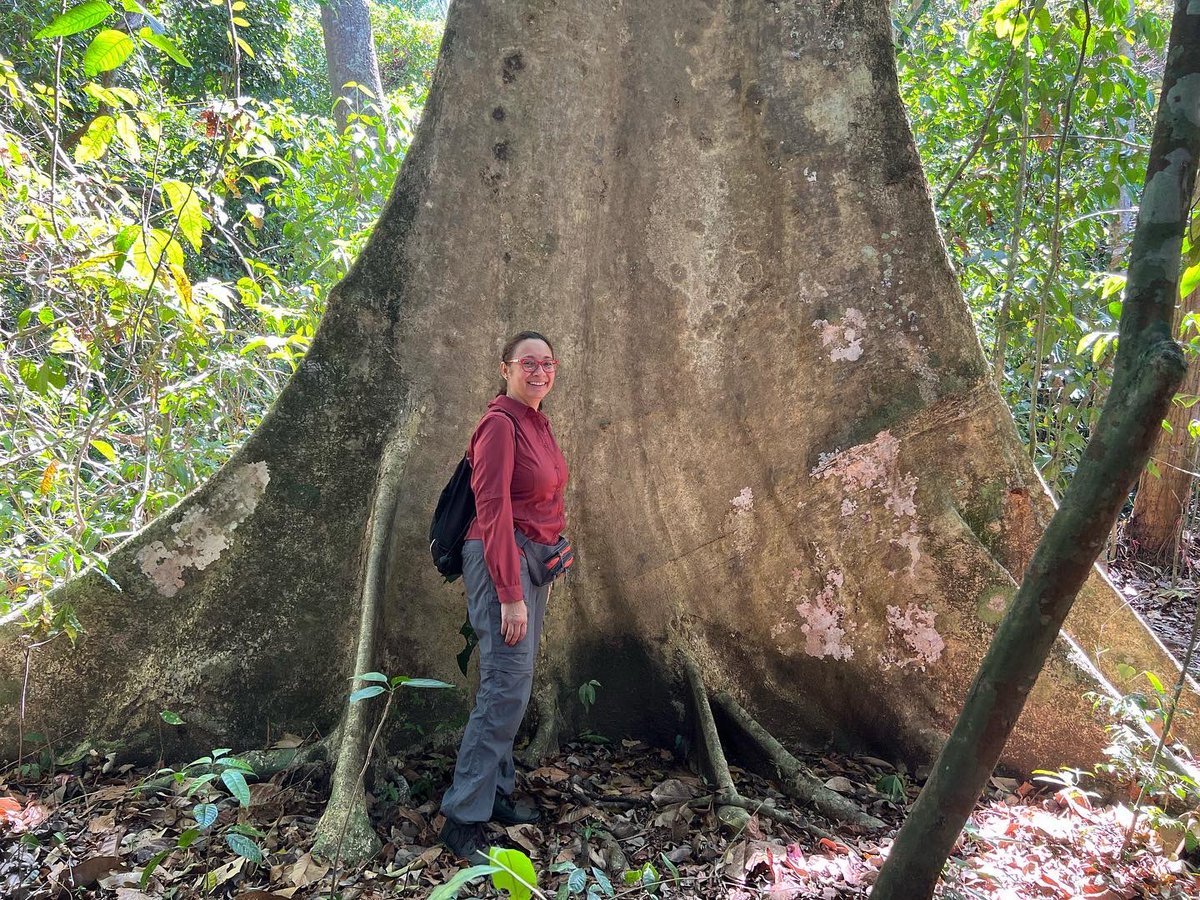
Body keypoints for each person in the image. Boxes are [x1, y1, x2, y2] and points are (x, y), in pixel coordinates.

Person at [439, 331, 569, 862]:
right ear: (505, 368)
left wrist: (555, 546)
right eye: (527, 363)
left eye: (547, 363)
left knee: (514, 682)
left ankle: (495, 792)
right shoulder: (498, 424)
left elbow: (540, 495)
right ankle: (463, 818)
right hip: (500, 563)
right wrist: (510, 593)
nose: (539, 371)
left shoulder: (539, 422)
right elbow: (491, 510)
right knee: (504, 686)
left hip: (530, 559)